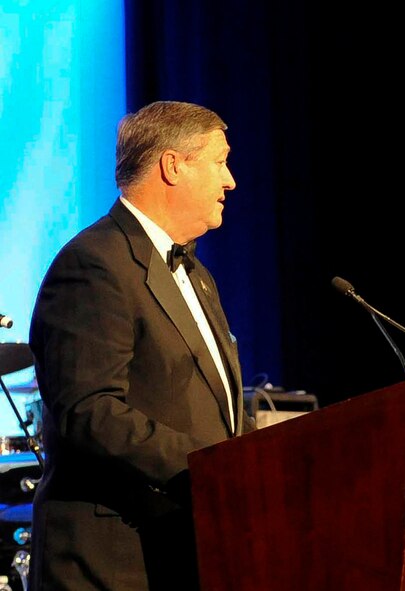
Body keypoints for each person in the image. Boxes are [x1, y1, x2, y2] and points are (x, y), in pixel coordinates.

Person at [28, 100, 256, 590]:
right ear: (173, 166)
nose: (230, 180)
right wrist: (210, 468)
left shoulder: (196, 275)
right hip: (115, 559)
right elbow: (89, 410)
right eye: (220, 161)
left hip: (185, 547)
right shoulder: (94, 264)